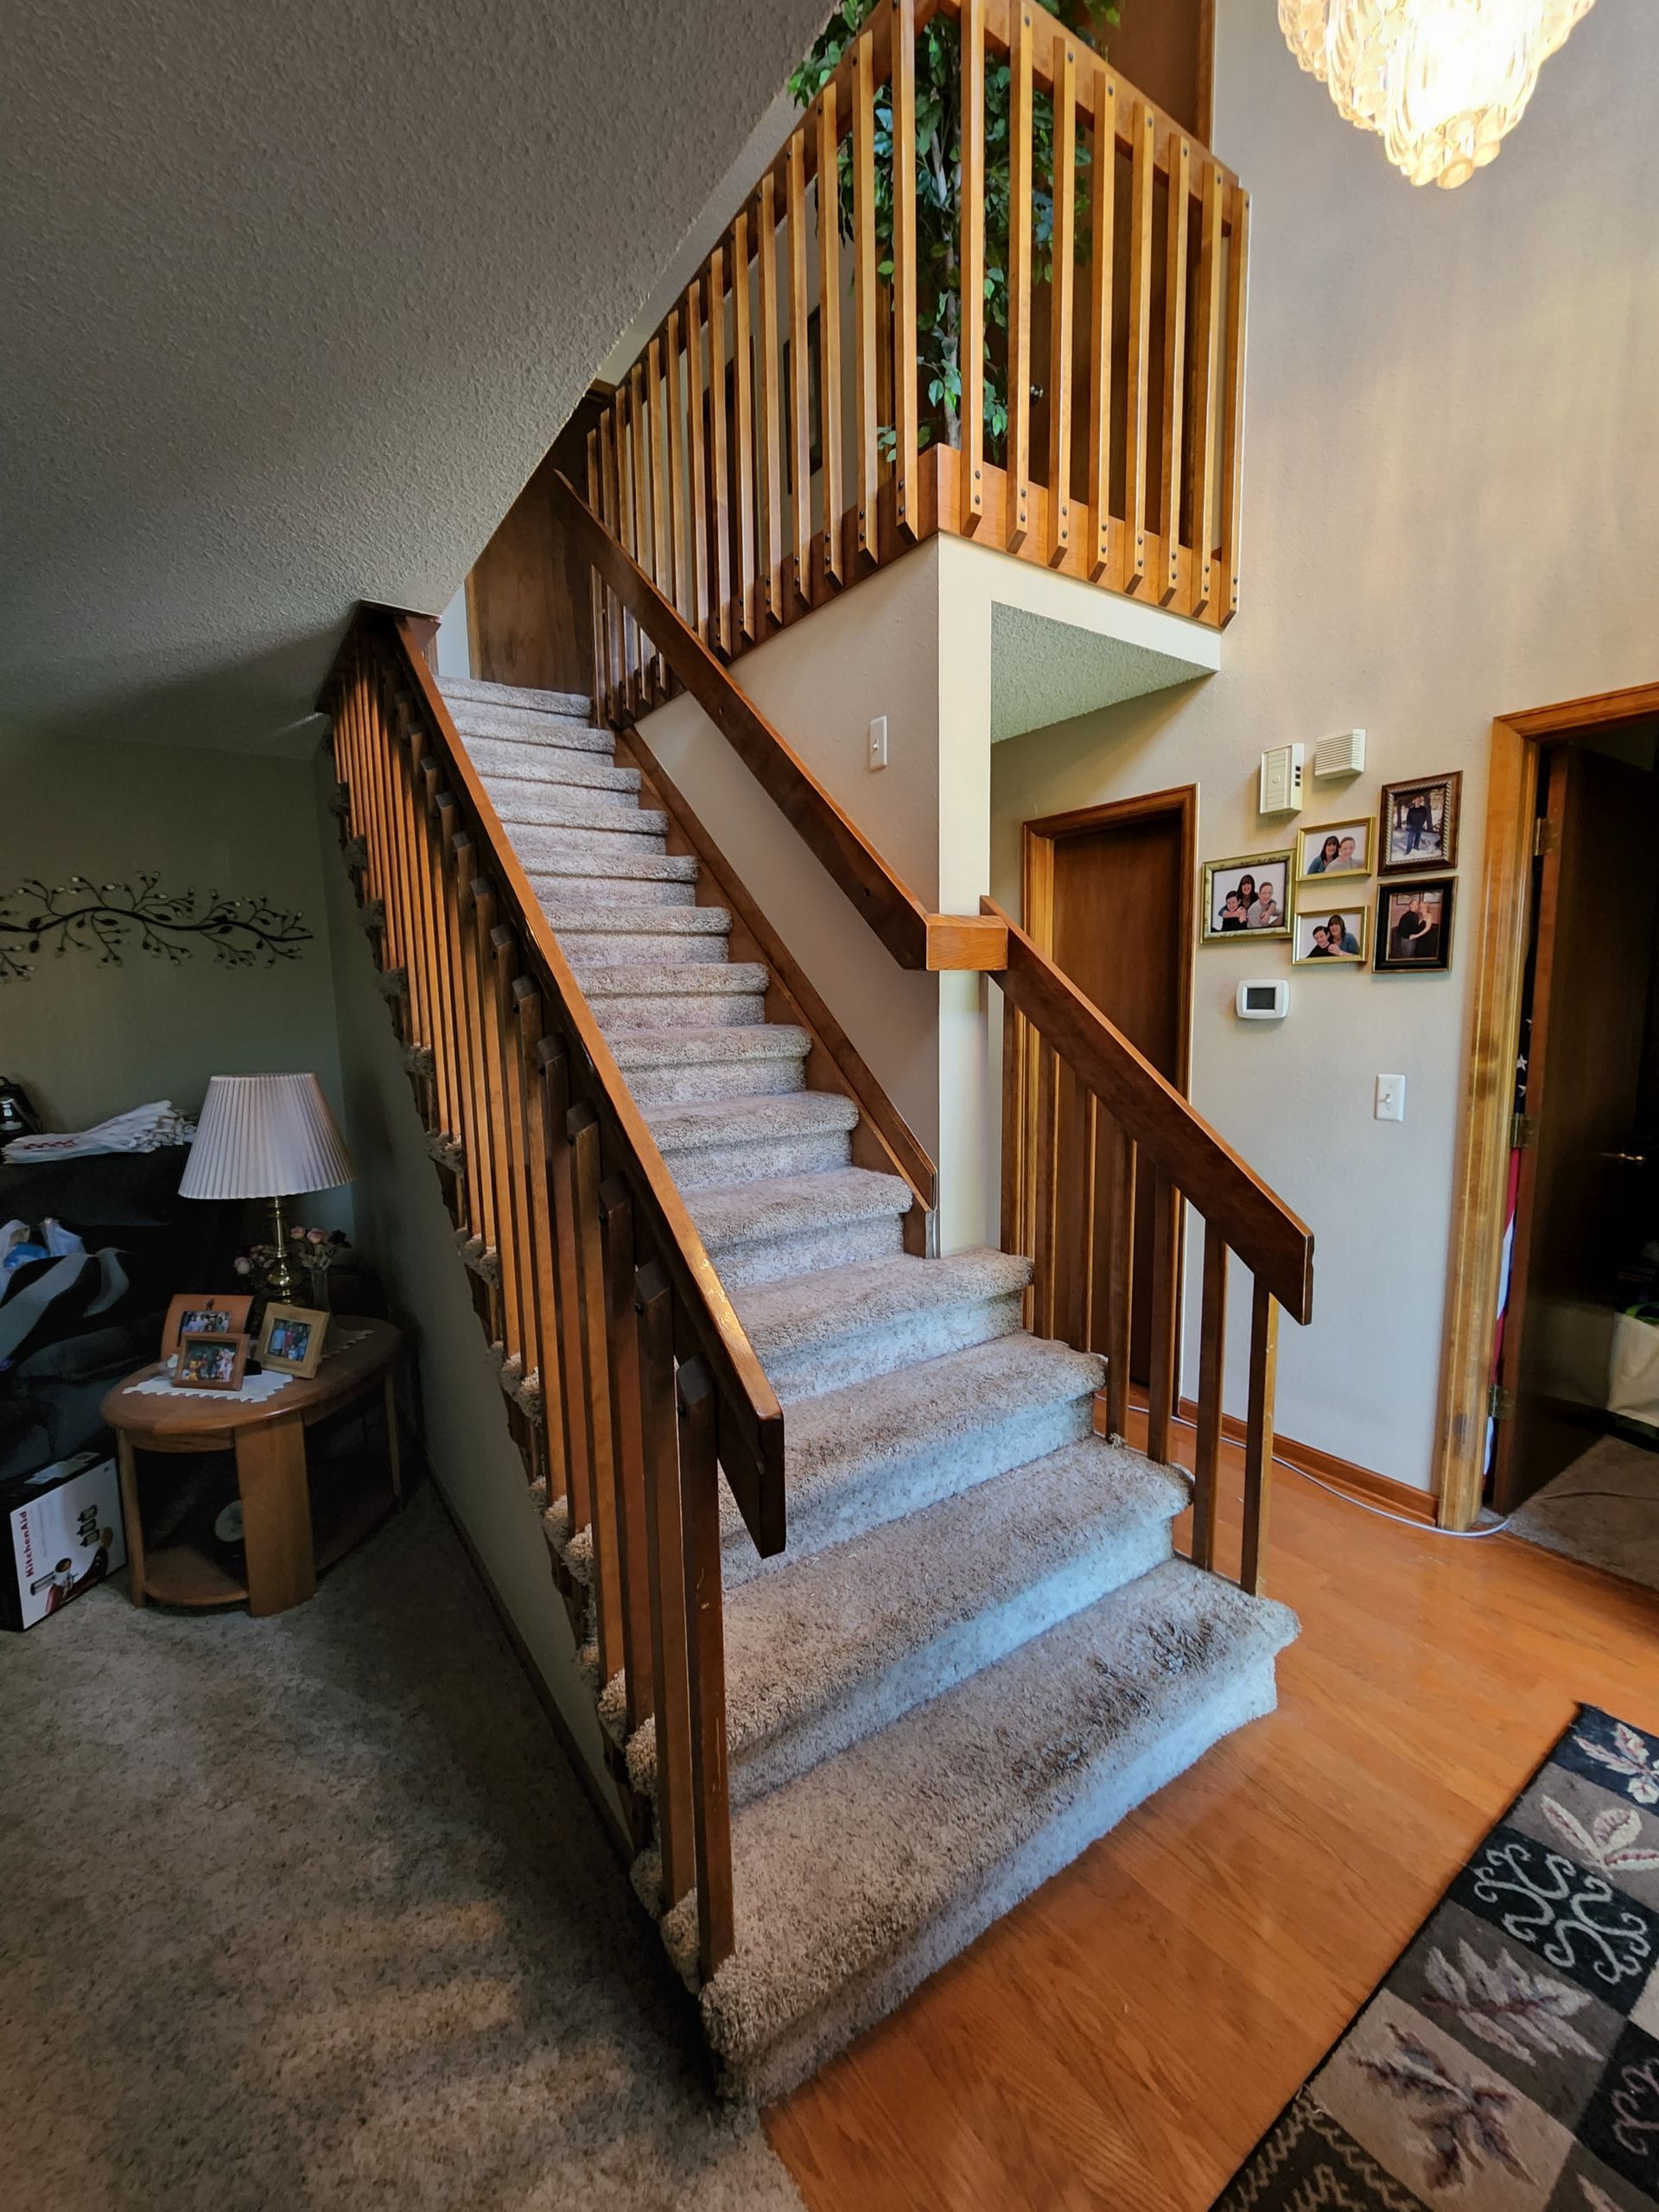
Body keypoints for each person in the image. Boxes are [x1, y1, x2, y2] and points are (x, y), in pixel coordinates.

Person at [1403, 791, 1433, 856]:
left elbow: (1425, 816)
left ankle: (1415, 850)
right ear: (1415, 801)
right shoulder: (1411, 809)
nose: (1418, 801)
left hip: (1419, 826)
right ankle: (1408, 852)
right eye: (1417, 800)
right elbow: (1408, 817)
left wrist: (1422, 822)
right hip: (1412, 827)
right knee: (1410, 840)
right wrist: (1409, 824)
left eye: (1419, 800)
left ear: (1420, 801)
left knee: (1417, 839)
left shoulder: (1423, 809)